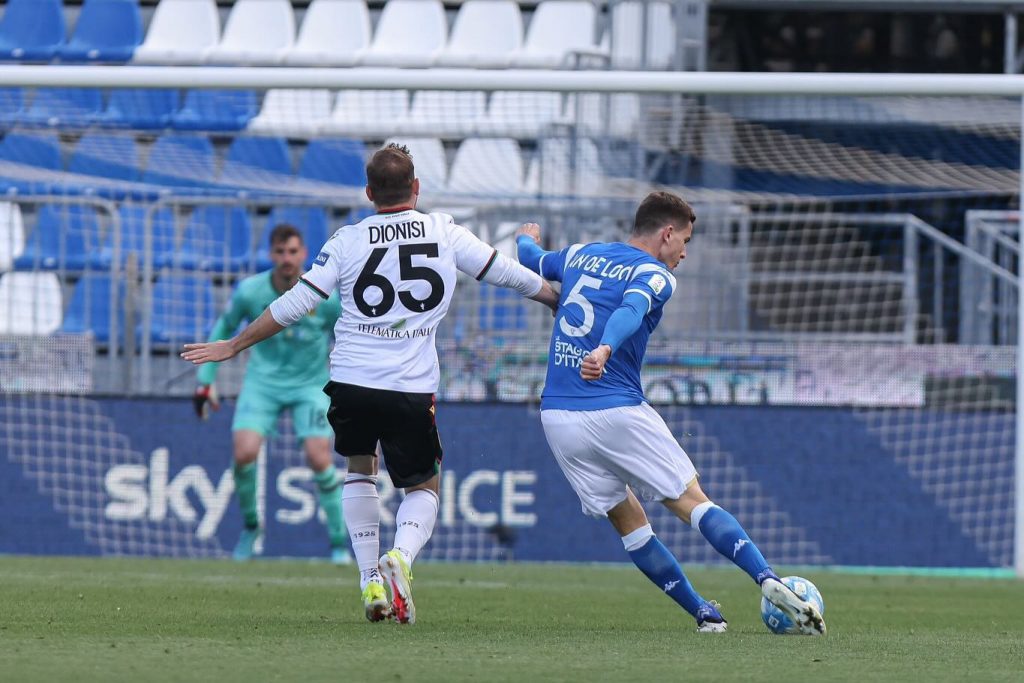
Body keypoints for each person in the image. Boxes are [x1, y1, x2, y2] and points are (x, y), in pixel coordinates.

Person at [183, 143, 560, 625]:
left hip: (351, 383)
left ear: (368, 193)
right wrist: (552, 298)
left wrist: (235, 344)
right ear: (417, 188)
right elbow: (503, 272)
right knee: (424, 487)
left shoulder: (346, 240)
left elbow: (297, 302)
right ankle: (400, 557)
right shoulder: (443, 230)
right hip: (409, 386)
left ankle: (369, 582)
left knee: (360, 470)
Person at [516, 191, 826, 635]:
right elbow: (631, 308)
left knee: (628, 522)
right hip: (614, 407)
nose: (684, 251)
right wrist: (605, 347)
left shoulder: (582, 253)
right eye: (684, 239)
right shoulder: (655, 273)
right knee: (692, 502)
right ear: (666, 234)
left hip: (558, 416)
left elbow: (532, 257)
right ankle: (769, 579)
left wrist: (526, 237)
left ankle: (703, 613)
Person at [193, 224, 350, 565]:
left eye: (292, 252)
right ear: (270, 255)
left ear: (304, 254)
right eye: (280, 252)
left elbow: (348, 333)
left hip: (310, 385)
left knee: (319, 456)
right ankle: (251, 528)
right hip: (262, 384)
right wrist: (205, 380)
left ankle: (339, 543)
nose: (286, 259)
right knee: (244, 452)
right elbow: (224, 327)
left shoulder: (324, 296)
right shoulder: (251, 291)